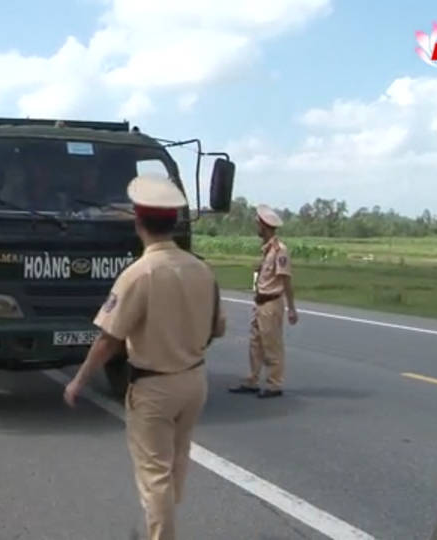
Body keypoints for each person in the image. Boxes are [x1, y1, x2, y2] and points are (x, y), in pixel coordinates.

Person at [63, 174, 226, 540]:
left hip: (154, 387)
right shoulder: (202, 269)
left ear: (139, 223)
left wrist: (79, 380)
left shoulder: (138, 275)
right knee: (176, 461)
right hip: (194, 380)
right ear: (172, 222)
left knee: (154, 475)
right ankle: (163, 522)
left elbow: (108, 340)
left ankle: (160, 533)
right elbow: (218, 328)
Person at [229, 204, 298, 399]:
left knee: (272, 344)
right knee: (256, 343)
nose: (256, 227)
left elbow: (286, 280)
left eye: (258, 223)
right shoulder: (267, 250)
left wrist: (291, 308)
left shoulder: (279, 251)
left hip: (271, 302)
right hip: (260, 302)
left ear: (265, 225)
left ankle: (274, 384)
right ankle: (252, 379)